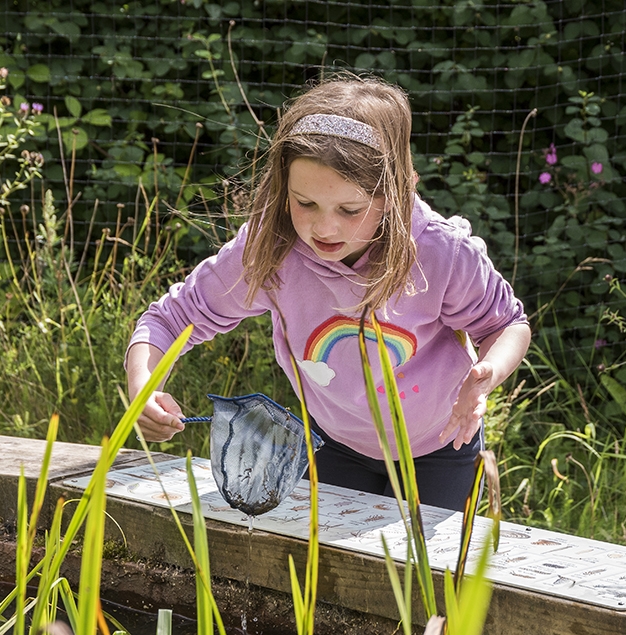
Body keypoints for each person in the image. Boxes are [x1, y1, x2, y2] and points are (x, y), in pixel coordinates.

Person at [125, 75, 531, 512]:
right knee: (331, 574)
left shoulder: (439, 252)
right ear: (283, 189)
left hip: (442, 449)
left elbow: (507, 325)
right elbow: (168, 320)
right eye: (305, 203)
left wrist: (488, 371)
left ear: (395, 190)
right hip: (332, 445)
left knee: (426, 578)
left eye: (349, 210)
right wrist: (143, 388)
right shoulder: (271, 248)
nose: (324, 228)